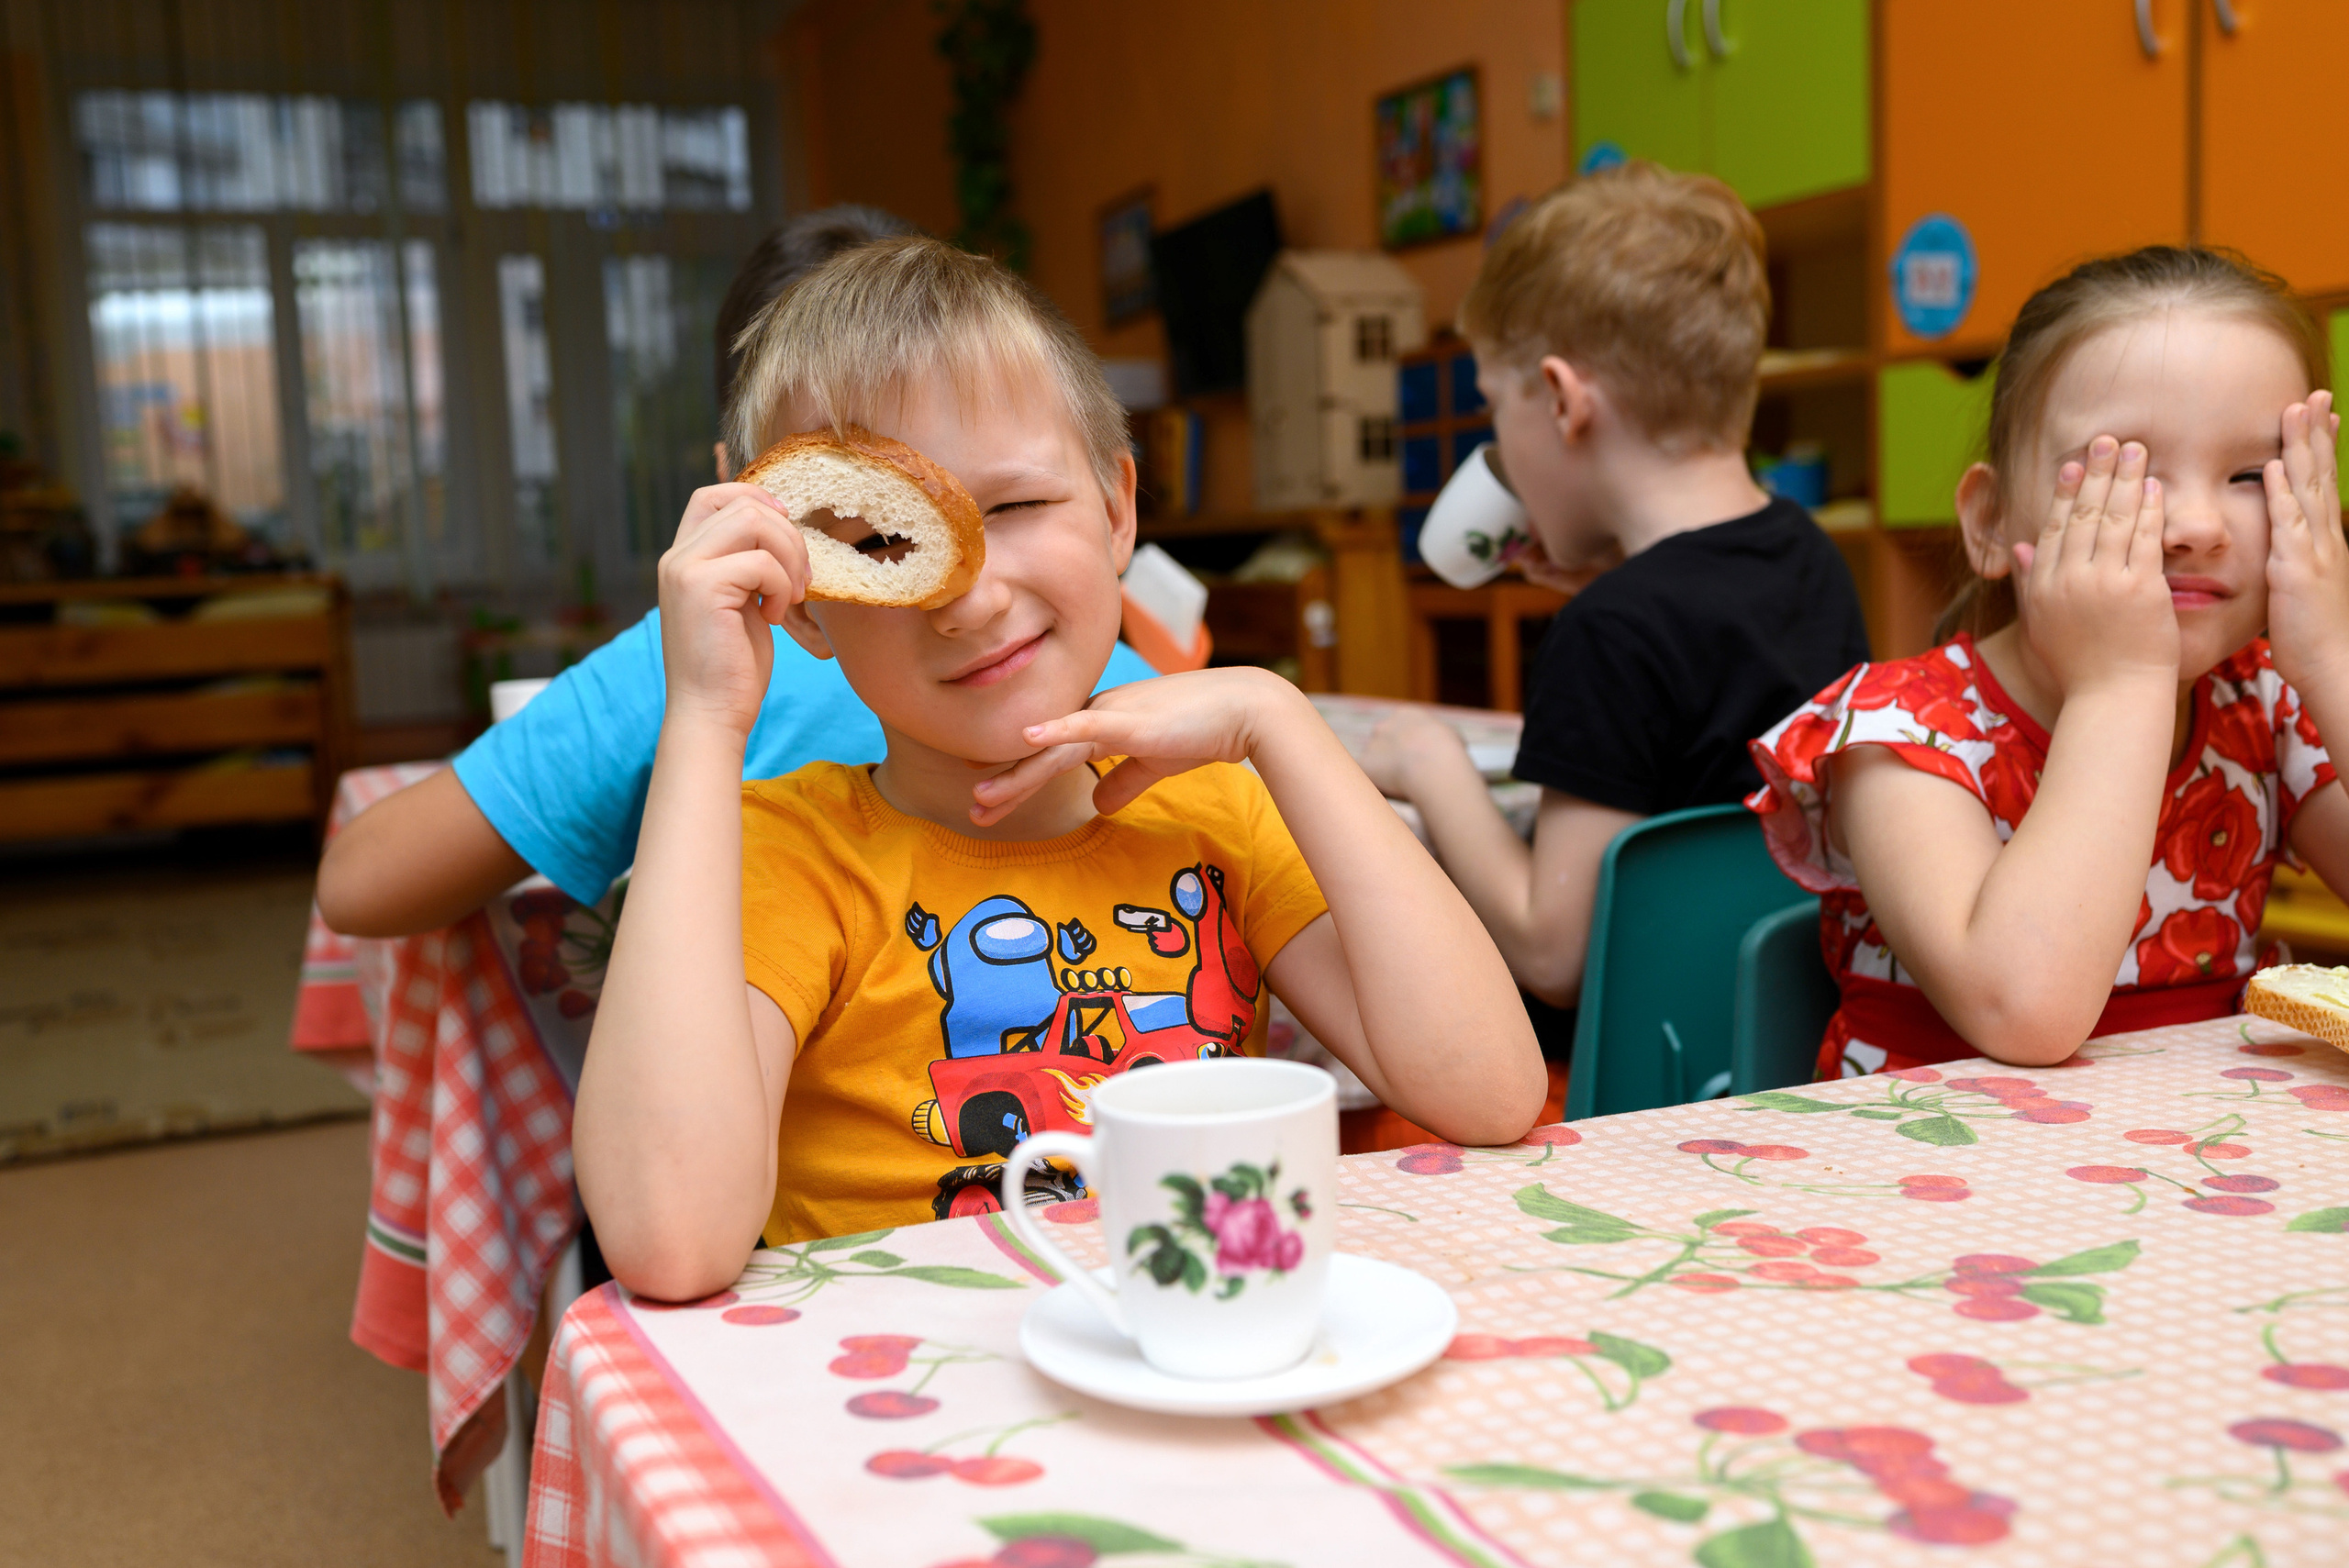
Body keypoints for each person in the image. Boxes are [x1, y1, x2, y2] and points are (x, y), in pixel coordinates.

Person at [573, 238, 1545, 1300]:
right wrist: (707, 716)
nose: (971, 597)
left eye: (1016, 508)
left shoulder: (1215, 809)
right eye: (890, 544)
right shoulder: (791, 856)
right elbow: (671, 1241)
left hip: (1188, 1371)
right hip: (907, 1419)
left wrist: (1279, 718)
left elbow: (1491, 1092)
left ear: (1119, 508)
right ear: (806, 599)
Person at [313, 205, 1156, 935]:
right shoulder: (1083, 661)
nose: (969, 600)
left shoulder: (675, 672)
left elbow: (360, 885)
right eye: (872, 534)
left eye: (1011, 506)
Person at [1749, 247, 2347, 1076]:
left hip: (2201, 1177)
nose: (2199, 524)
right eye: (2124, 473)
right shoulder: (1899, 733)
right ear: (1992, 522)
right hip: (1942, 1183)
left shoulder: (2265, 707)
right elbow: (2027, 1013)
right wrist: (2122, 681)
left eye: (2252, 473)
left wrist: (2334, 660)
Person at [1359, 164, 1871, 1020]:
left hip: (1625, 1089)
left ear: (1562, 400)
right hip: (1781, 1037)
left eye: (1495, 410)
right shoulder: (1808, 553)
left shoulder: (1612, 632)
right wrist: (1613, 579)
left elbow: (1552, 949)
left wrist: (1431, 765)